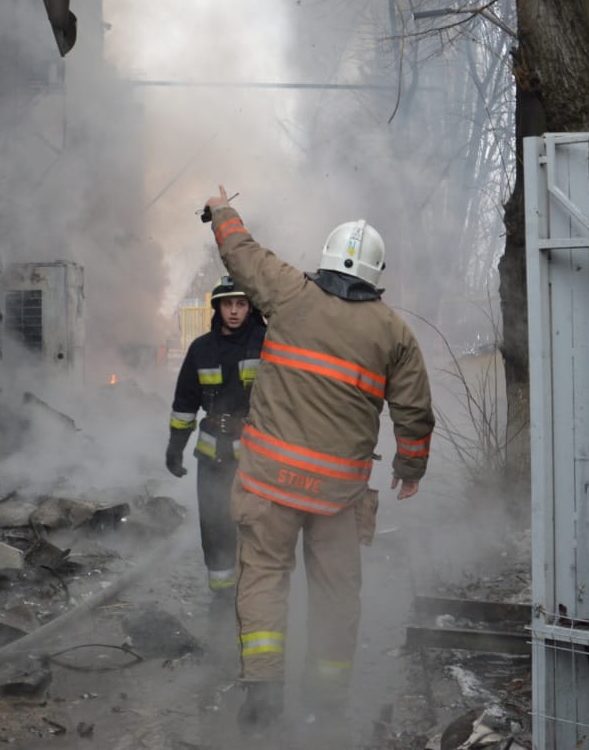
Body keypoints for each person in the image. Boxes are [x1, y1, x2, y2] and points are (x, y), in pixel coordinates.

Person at [201, 185, 433, 734]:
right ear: (376, 274)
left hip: (268, 483)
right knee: (335, 594)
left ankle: (262, 693)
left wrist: (222, 210)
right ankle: (326, 701)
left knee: (262, 578)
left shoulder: (290, 292)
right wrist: (410, 468)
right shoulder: (394, 332)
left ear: (326, 258)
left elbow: (241, 253)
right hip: (337, 497)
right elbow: (414, 410)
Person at [165, 277, 266, 600]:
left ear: (250, 308)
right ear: (217, 307)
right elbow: (184, 405)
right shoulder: (202, 349)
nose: (234, 311)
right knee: (214, 525)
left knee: (257, 527)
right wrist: (175, 448)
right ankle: (222, 597)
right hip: (212, 458)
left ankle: (256, 595)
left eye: (241, 304)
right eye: (227, 304)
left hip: (257, 460)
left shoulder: (267, 344)